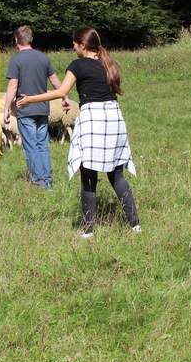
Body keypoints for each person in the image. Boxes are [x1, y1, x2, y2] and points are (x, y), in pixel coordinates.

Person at [17, 27, 140, 237]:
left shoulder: (77, 64)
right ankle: (135, 225)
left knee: (88, 175)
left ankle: (88, 230)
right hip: (114, 118)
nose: (73, 47)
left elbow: (61, 91)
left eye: (74, 43)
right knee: (116, 175)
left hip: (94, 118)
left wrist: (29, 99)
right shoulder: (106, 64)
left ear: (82, 45)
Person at [3, 25, 69, 189]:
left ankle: (38, 182)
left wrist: (6, 108)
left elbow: (13, 85)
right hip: (42, 110)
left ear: (16, 40)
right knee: (42, 145)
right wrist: (64, 96)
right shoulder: (43, 58)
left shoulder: (16, 60)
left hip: (25, 110)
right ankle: (47, 180)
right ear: (31, 39)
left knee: (31, 146)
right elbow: (55, 81)